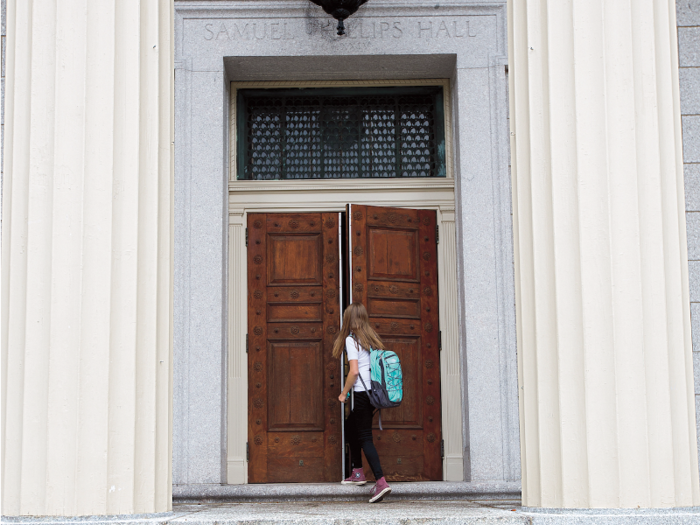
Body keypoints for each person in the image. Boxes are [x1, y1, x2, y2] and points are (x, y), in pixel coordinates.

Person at [332, 303, 392, 503]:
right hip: (374, 393)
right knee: (351, 427)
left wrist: (343, 393)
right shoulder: (371, 338)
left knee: (365, 437)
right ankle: (357, 472)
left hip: (361, 394)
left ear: (348, 319)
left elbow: (355, 371)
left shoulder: (352, 339)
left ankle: (381, 482)